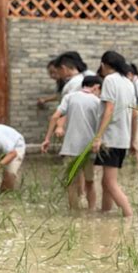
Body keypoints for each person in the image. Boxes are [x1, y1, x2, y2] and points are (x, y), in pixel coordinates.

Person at [41, 75, 103, 210]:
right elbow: (102, 126)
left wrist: (47, 139)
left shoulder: (69, 97)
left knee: (71, 183)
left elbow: (55, 116)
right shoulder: (98, 102)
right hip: (89, 149)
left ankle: (74, 213)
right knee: (90, 182)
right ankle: (91, 212)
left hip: (70, 148)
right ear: (96, 87)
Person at [92, 51, 137, 217]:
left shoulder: (110, 80)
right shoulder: (128, 83)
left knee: (109, 183)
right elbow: (134, 114)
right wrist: (133, 140)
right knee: (106, 182)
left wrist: (98, 137)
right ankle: (105, 213)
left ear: (104, 64)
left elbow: (109, 109)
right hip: (123, 139)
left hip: (110, 139)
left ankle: (128, 215)